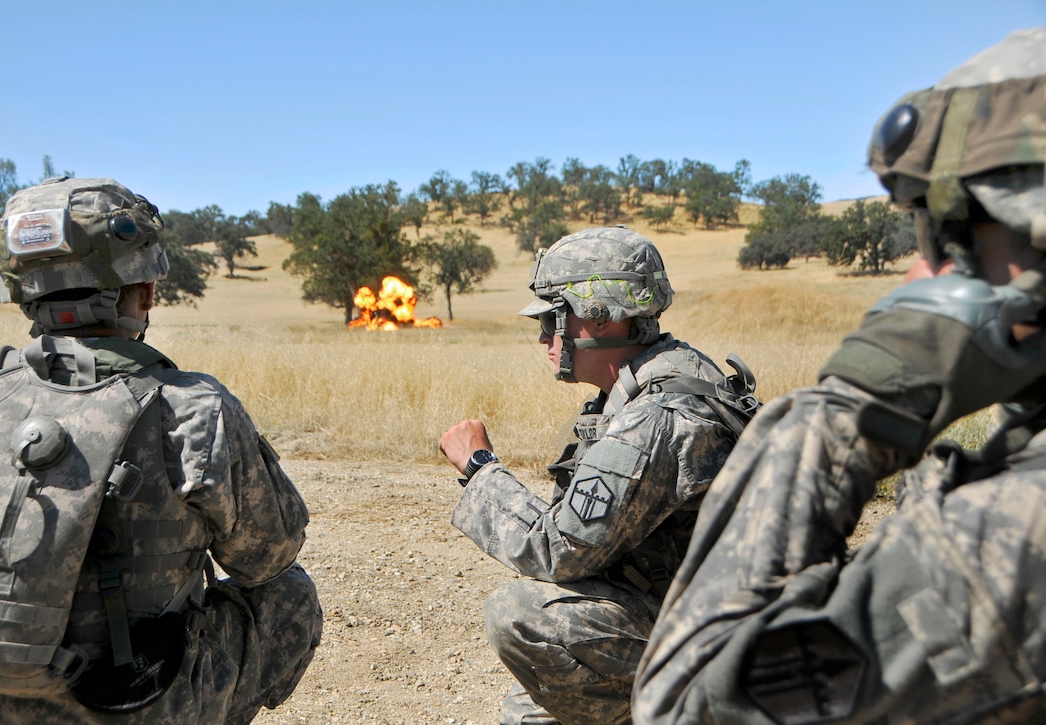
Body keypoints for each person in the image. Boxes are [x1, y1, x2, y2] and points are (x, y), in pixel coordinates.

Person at [633, 27, 1046, 724]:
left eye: (945, 234)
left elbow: (685, 703)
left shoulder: (1013, 531)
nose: (926, 269)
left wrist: (851, 400)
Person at [0, 177, 322, 724]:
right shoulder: (193, 408)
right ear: (144, 290)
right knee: (289, 592)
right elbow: (268, 555)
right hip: (139, 701)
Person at [439, 226, 760, 724]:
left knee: (522, 614)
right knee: (529, 716)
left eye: (553, 317)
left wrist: (480, 469)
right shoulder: (657, 381)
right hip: (704, 618)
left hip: (729, 647)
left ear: (600, 317)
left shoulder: (656, 416)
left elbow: (557, 550)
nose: (545, 336)